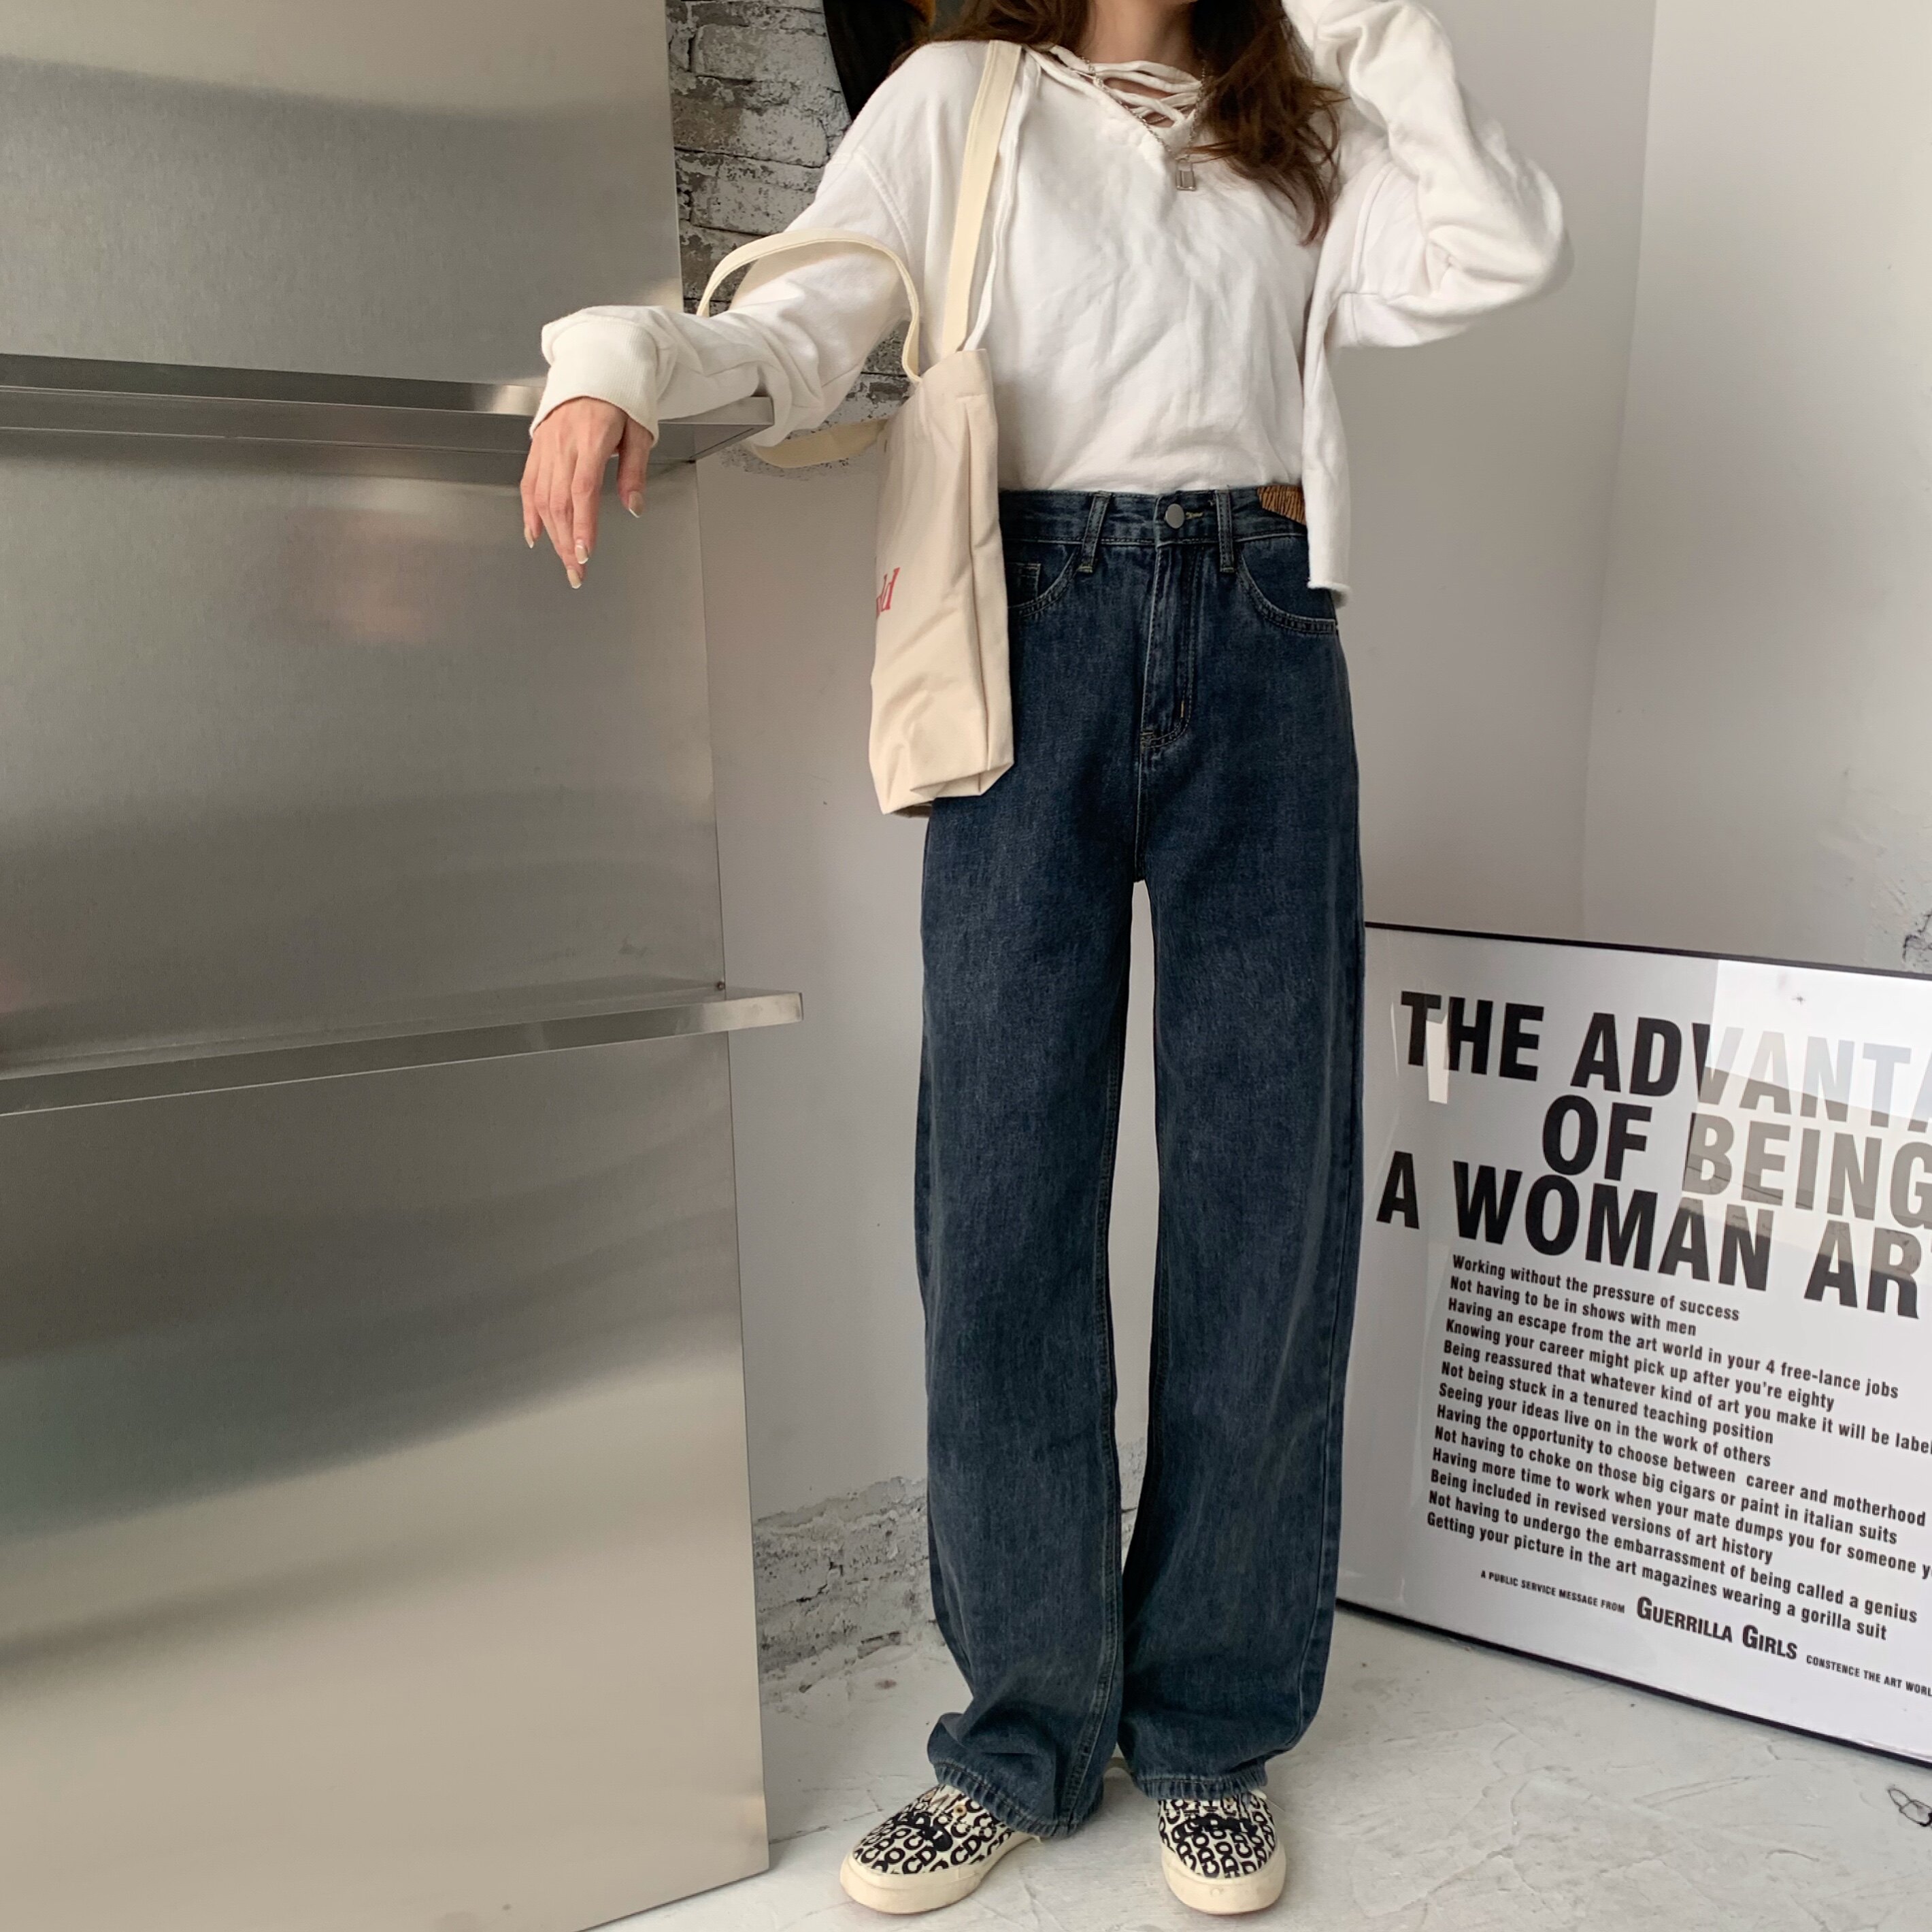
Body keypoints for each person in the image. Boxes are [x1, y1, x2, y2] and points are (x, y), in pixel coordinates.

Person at [521, 0, 1563, 1913]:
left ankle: (1210, 1727)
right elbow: (805, 331)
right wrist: (616, 363)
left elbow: (1503, 244)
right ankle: (1023, 1732)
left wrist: (1366, 19)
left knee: (1267, 1195)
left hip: (1267, 632)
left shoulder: (1300, 122)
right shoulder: (960, 99)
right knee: (1000, 1196)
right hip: (1032, 627)